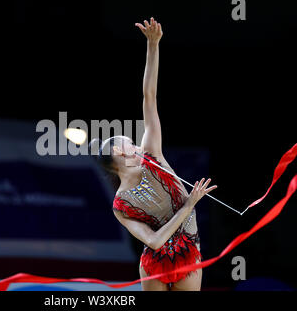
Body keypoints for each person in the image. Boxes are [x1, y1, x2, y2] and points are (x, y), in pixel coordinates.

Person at [89, 17, 217, 291]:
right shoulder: (121, 204)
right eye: (130, 145)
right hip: (154, 263)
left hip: (188, 254)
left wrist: (153, 45)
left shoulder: (153, 155)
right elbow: (155, 242)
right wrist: (189, 204)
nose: (137, 146)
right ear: (118, 154)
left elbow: (149, 96)